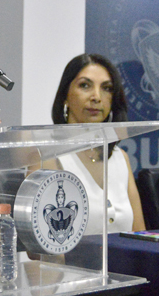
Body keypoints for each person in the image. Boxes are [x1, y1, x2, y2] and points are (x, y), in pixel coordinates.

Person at [46, 54, 146, 234]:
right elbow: (39, 248)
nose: (96, 97)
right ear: (65, 97)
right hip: (71, 263)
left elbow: (140, 233)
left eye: (107, 88)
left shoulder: (120, 158)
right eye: (85, 85)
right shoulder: (48, 159)